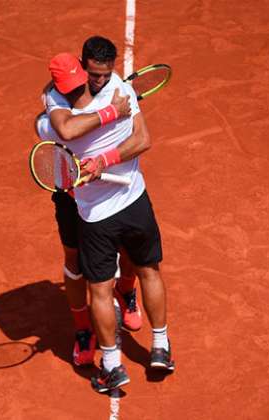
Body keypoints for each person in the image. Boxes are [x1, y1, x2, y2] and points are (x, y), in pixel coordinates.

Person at [37, 36, 174, 393]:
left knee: (140, 269)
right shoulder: (57, 98)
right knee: (82, 270)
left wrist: (103, 160)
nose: (97, 81)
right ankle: (99, 347)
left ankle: (156, 344)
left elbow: (143, 140)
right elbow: (65, 129)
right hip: (82, 203)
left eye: (103, 74)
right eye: (92, 74)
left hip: (124, 198)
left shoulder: (121, 89)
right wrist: (111, 114)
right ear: (83, 66)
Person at [34, 52, 144, 367]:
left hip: (111, 193)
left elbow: (137, 136)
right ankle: (83, 328)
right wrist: (114, 112)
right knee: (74, 262)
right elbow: (64, 131)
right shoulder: (52, 119)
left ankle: (125, 290)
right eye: (66, 87)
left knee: (131, 248)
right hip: (71, 196)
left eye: (79, 82)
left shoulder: (108, 89)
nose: (76, 90)